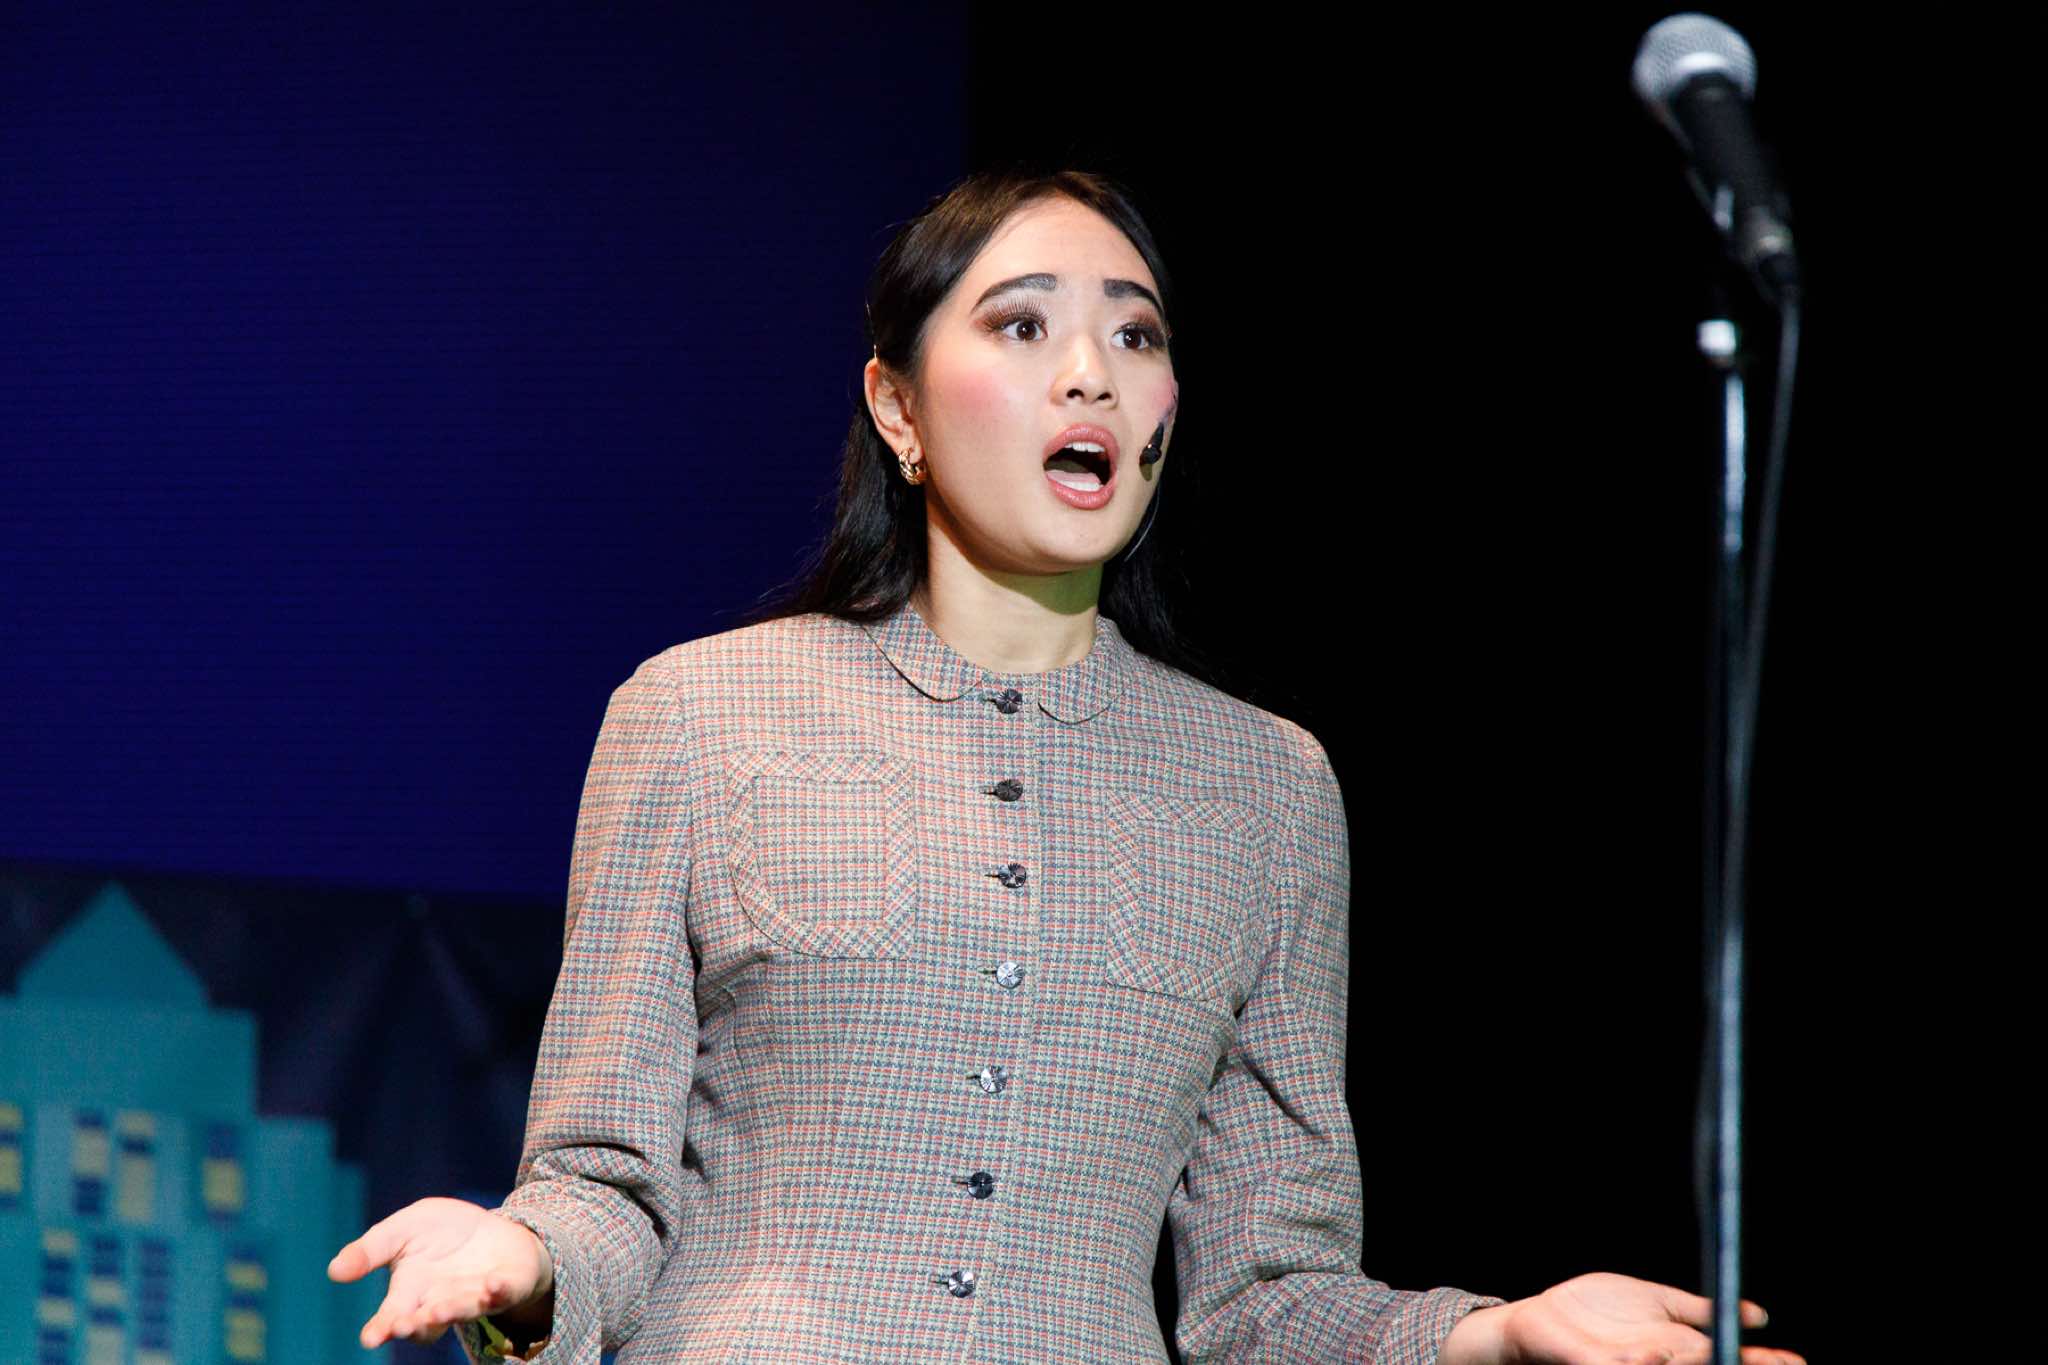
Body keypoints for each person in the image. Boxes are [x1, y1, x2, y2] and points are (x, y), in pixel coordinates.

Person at [327, 169, 1806, 1365]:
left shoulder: (1269, 787)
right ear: (898, 406)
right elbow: (606, 1186)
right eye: (1023, 327)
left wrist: (1490, 1334)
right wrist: (523, 1258)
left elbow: (1266, 1293)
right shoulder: (701, 715)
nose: (1090, 372)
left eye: (1135, 335)